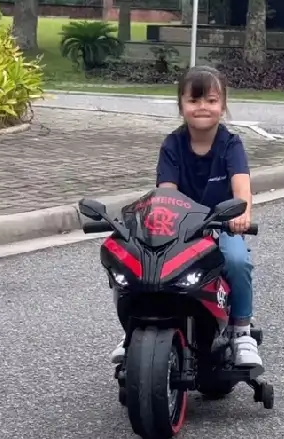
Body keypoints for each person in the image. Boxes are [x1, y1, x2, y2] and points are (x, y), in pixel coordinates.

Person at [109, 65, 262, 369]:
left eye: (211, 100)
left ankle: (241, 330)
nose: (202, 107)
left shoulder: (231, 145)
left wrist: (241, 214)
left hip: (221, 225)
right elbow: (166, 195)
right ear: (181, 105)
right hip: (181, 229)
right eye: (194, 101)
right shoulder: (172, 145)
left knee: (236, 260)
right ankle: (134, 331)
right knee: (141, 262)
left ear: (223, 105)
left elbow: (241, 188)